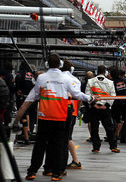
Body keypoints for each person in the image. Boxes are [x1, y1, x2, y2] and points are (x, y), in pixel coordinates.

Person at [14, 53, 93, 181]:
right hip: (60, 117)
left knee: (40, 145)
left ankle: (32, 171)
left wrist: (17, 119)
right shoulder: (66, 79)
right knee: (58, 145)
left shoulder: (41, 78)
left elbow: (29, 100)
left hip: (44, 117)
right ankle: (56, 173)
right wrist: (92, 98)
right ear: (60, 65)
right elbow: (77, 95)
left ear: (47, 65)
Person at [85, 65, 120, 153]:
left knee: (94, 129)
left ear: (96, 71)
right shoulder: (110, 82)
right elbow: (113, 96)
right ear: (106, 72)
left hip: (94, 108)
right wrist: (107, 105)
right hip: (105, 108)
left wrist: (93, 104)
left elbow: (87, 95)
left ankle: (96, 147)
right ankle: (113, 146)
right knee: (109, 128)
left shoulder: (90, 81)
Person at [60, 60, 82, 170]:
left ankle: (75, 160)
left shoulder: (62, 79)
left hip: (63, 111)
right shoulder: (76, 80)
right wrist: (77, 110)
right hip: (72, 111)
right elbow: (80, 98)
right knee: (67, 137)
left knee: (66, 138)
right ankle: (74, 160)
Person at [14, 61, 35, 145]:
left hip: (22, 97)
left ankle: (26, 138)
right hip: (31, 97)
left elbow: (17, 83)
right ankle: (29, 130)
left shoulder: (20, 74)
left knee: (23, 117)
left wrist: (17, 89)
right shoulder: (31, 74)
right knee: (27, 114)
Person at [110, 67, 126, 141]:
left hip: (115, 103)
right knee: (121, 119)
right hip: (123, 102)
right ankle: (118, 133)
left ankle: (115, 134)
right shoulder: (123, 81)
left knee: (114, 119)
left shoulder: (111, 82)